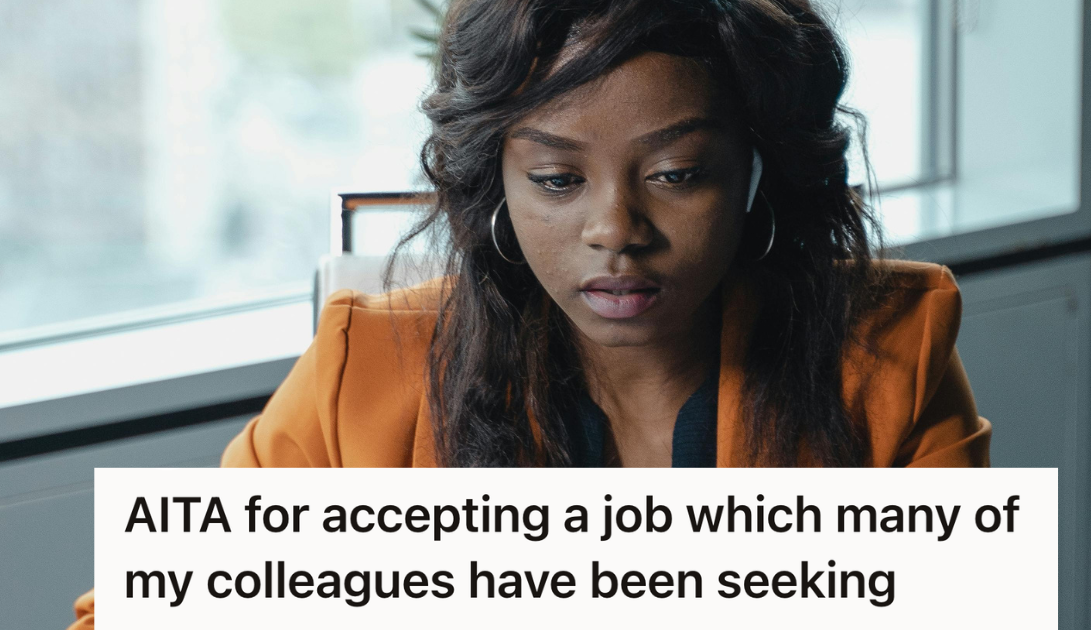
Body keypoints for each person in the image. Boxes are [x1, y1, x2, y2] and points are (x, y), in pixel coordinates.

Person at [66, 0, 991, 625]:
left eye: (677, 175)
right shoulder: (370, 370)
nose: (615, 231)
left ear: (756, 171)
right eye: (556, 179)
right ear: (496, 182)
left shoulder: (888, 356)